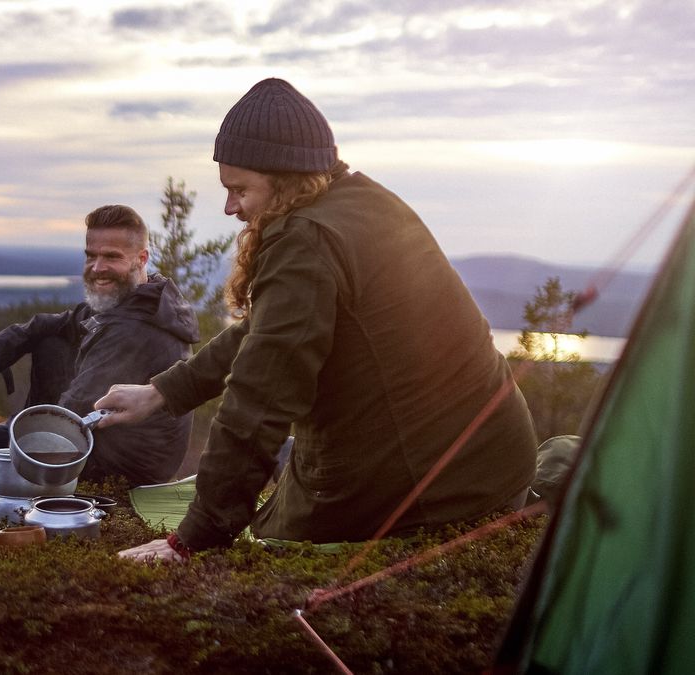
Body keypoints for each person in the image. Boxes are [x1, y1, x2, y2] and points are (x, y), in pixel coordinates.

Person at [97, 78, 538, 563]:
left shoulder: (305, 241)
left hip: (433, 491)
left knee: (289, 515)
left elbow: (260, 398)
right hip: (493, 459)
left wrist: (194, 538)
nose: (230, 207)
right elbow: (267, 329)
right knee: (293, 468)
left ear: (285, 179)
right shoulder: (364, 200)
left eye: (240, 190)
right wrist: (162, 393)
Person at [0, 205, 200, 491]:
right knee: (51, 343)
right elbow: (51, 324)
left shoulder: (134, 330)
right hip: (106, 440)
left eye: (112, 256)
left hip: (122, 469)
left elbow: (71, 417)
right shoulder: (136, 298)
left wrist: (9, 434)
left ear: (141, 258)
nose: (97, 268)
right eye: (91, 256)